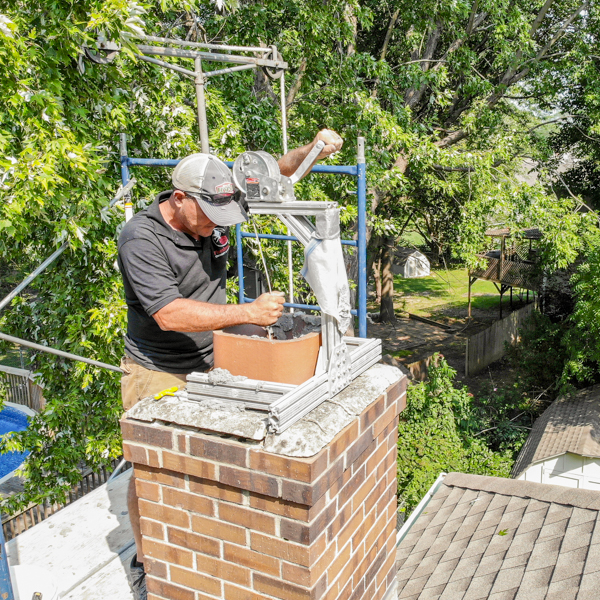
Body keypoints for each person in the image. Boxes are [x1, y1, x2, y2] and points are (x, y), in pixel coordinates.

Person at [117, 129, 343, 600]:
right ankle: (148, 562)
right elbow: (169, 313)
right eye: (208, 216)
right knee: (150, 468)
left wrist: (314, 149)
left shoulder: (214, 203)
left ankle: (209, 539)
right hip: (159, 365)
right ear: (179, 199)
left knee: (215, 451)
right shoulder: (140, 237)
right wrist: (247, 314)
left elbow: (276, 174)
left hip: (212, 354)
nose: (217, 225)